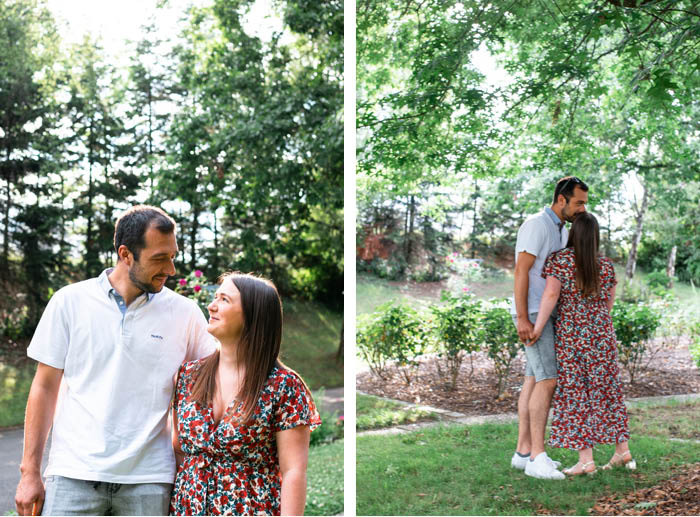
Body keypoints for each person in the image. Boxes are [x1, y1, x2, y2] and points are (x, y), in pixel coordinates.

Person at [15, 205, 216, 516]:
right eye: (160, 258)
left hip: (149, 479)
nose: (171, 269)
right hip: (73, 474)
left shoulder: (186, 313)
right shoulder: (69, 302)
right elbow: (43, 389)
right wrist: (29, 472)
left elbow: (215, 380)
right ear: (126, 254)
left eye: (172, 256)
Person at [169, 272, 320, 516]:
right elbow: (179, 450)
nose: (211, 305)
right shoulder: (188, 376)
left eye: (224, 300)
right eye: (215, 297)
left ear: (252, 316)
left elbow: (293, 471)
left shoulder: (284, 386)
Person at [530, 212, 634, 476]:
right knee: (607, 390)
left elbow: (551, 295)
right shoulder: (606, 266)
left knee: (576, 394)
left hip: (573, 337)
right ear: (595, 237)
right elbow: (608, 305)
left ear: (573, 233)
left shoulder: (561, 261)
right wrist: (595, 322)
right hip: (601, 335)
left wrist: (538, 327)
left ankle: (586, 461)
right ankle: (622, 450)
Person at [510, 176, 589, 480]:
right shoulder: (537, 225)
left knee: (533, 378)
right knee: (548, 380)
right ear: (561, 200)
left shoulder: (561, 229)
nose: (582, 207)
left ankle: (523, 452)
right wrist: (522, 318)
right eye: (579, 202)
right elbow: (521, 270)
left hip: (544, 313)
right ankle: (538, 459)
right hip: (531, 312)